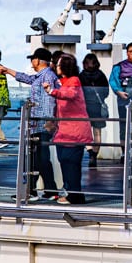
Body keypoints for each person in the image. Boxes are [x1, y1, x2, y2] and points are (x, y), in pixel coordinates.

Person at [0, 47, 59, 201]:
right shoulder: (43, 76)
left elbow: (48, 100)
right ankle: (49, 190)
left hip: (41, 124)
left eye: (33, 59)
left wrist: (48, 121)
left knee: (36, 158)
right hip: (38, 124)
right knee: (39, 158)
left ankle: (32, 191)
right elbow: (27, 79)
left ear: (37, 60)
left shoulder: (47, 77)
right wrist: (8, 71)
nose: (32, 62)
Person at [43, 53, 93, 205]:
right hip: (65, 131)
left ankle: (75, 195)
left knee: (71, 162)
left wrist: (52, 91)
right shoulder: (64, 82)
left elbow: (69, 94)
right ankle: (71, 192)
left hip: (74, 131)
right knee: (65, 161)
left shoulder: (74, 81)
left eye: (58, 65)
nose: (55, 67)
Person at [79, 54, 109, 169]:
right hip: (97, 106)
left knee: (86, 132)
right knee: (97, 133)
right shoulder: (100, 75)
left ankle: (90, 151)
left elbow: (78, 92)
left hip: (84, 107)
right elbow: (106, 92)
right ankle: (95, 155)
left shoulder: (81, 76)